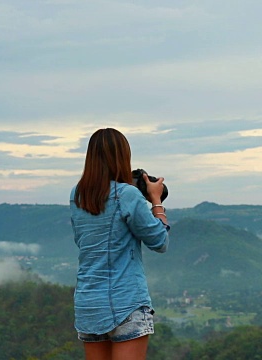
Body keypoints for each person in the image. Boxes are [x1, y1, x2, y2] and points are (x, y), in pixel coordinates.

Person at [70, 128, 170, 360]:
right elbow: (160, 241)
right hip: (126, 300)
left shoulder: (77, 195)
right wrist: (155, 201)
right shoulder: (127, 194)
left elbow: (82, 241)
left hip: (88, 303)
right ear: (123, 157)